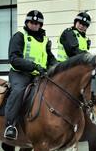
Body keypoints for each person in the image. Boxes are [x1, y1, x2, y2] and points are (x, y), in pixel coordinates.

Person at [4, 10, 57, 140]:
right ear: (27, 23)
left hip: (39, 74)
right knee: (18, 91)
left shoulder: (45, 40)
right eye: (31, 22)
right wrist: (33, 66)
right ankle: (11, 125)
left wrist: (57, 67)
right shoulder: (19, 36)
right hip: (20, 73)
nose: (34, 25)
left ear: (41, 25)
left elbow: (50, 58)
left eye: (37, 23)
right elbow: (14, 58)